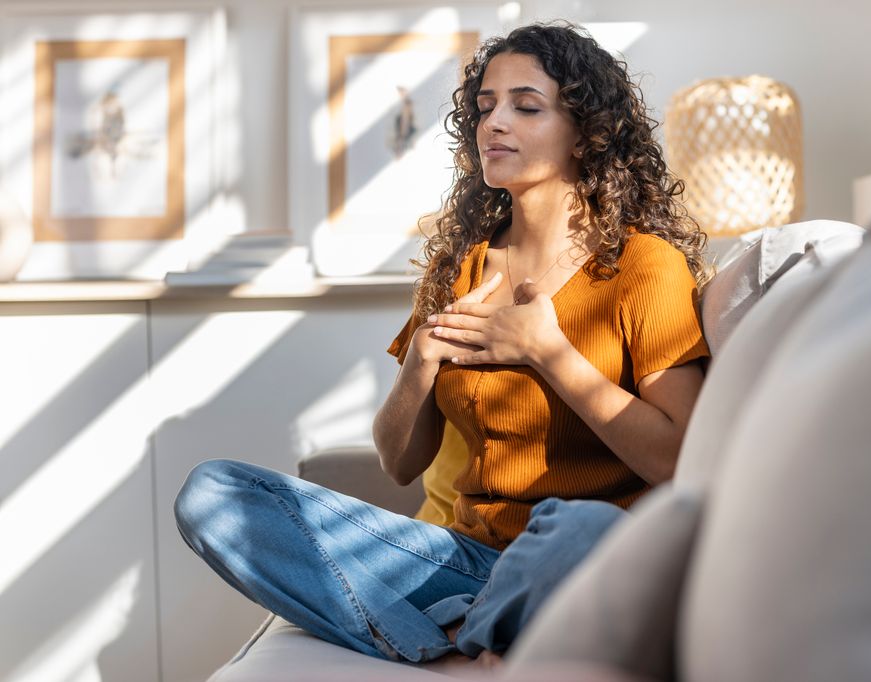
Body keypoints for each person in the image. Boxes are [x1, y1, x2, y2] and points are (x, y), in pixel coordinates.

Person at [174, 21, 711, 667]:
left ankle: (459, 633)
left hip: (578, 555)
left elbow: (680, 462)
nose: (494, 124)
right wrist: (422, 361)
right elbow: (400, 464)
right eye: (485, 107)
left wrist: (550, 351)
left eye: (525, 106)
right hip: (465, 560)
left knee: (582, 526)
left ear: (587, 131)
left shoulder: (644, 267)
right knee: (215, 495)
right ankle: (469, 640)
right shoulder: (459, 268)